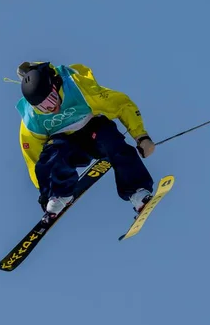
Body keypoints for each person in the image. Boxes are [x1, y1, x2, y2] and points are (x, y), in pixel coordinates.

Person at [15, 61, 157, 222]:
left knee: (110, 139)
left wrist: (141, 136)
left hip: (94, 134)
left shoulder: (78, 89)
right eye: (42, 107)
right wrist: (45, 193)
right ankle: (60, 195)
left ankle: (138, 192)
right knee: (52, 152)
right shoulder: (31, 119)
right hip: (69, 148)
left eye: (51, 99)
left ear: (55, 86)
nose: (50, 108)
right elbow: (33, 157)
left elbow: (122, 104)